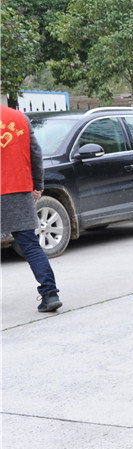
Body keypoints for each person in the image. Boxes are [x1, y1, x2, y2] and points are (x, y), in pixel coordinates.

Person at [1, 105, 62, 312]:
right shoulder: (19, 118)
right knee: (30, 245)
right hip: (17, 190)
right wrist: (37, 184)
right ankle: (50, 294)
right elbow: (35, 153)